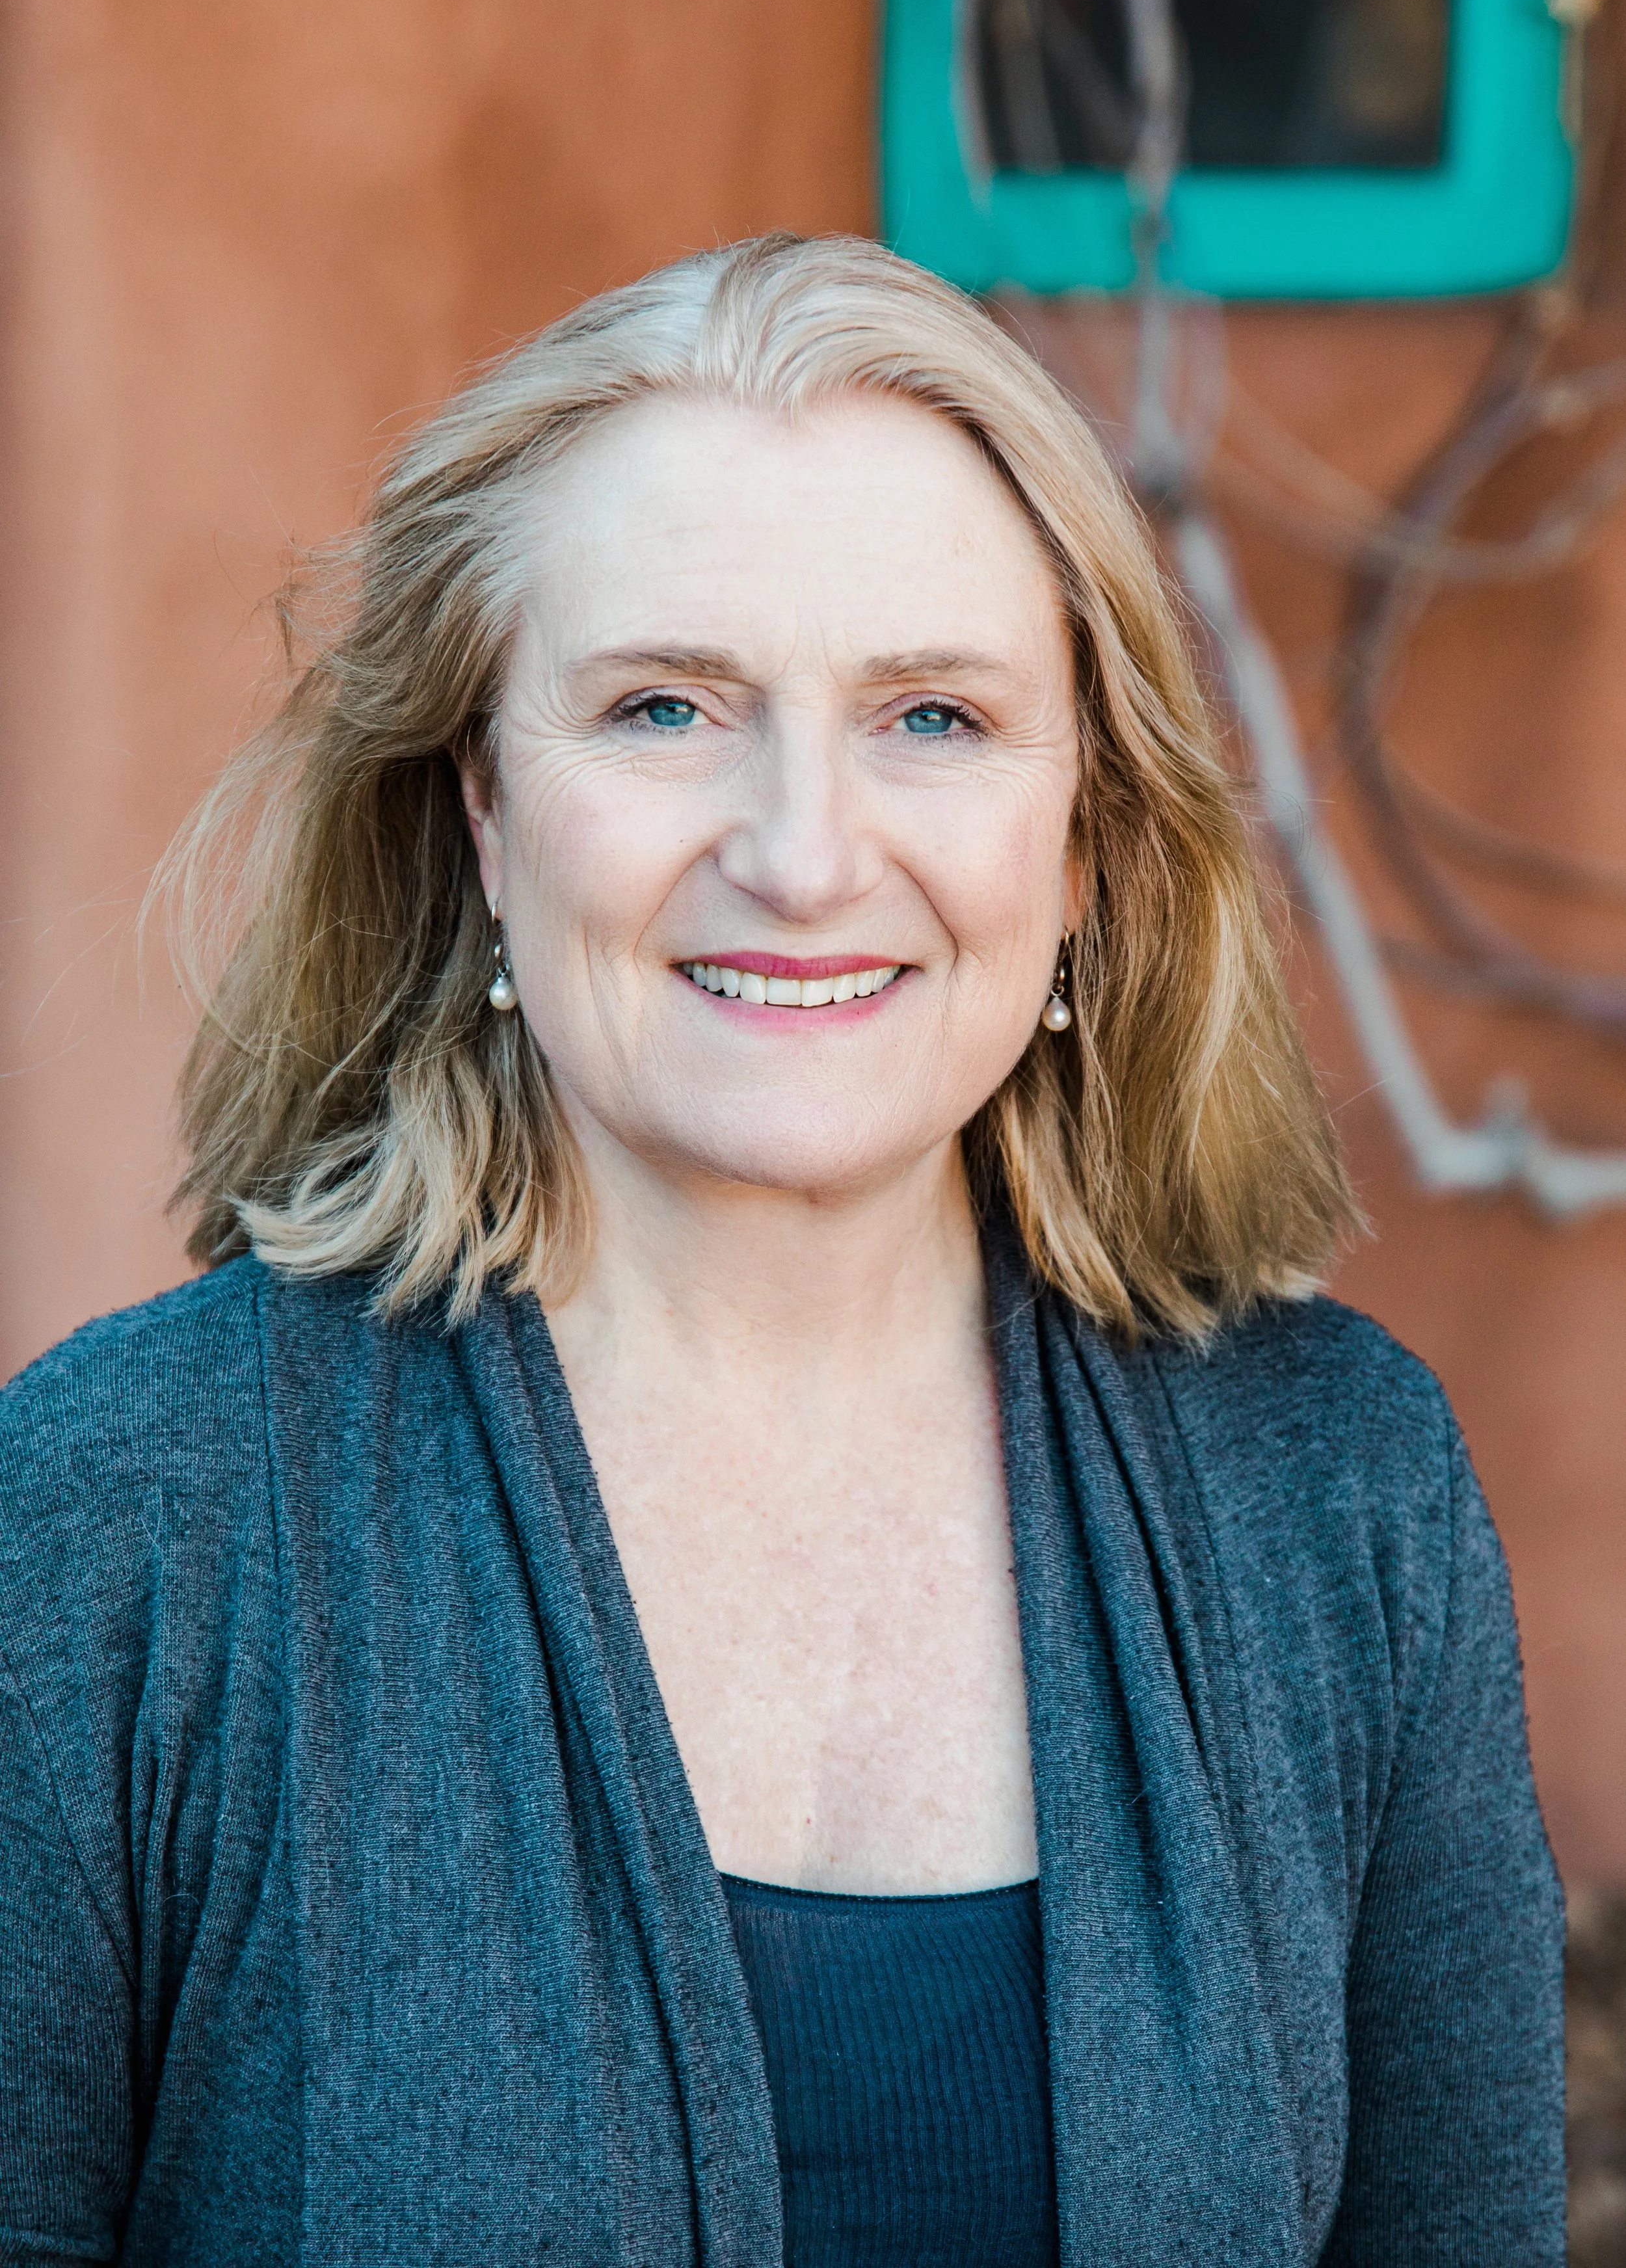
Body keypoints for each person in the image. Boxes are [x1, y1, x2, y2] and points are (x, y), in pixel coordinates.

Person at [0, 234, 1562, 2268]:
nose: (804, 853)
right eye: (664, 706)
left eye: (933, 715)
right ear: (483, 813)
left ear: (1082, 839)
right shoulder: (124, 1507)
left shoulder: (1337, 1493)